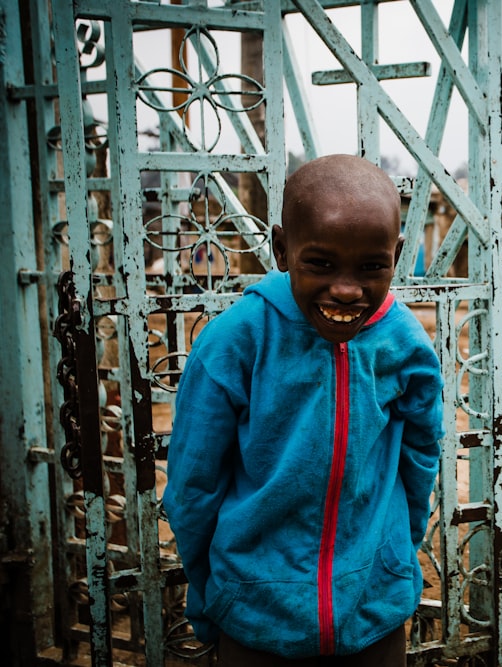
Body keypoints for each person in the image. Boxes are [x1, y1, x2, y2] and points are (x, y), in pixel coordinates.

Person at [162, 154, 445, 666]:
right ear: (281, 249)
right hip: (254, 614)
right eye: (321, 263)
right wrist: (212, 594)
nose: (345, 288)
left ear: (397, 255)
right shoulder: (236, 342)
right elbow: (193, 485)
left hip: (372, 613)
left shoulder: (403, 342)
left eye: (371, 267)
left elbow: (420, 458)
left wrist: (397, 553)